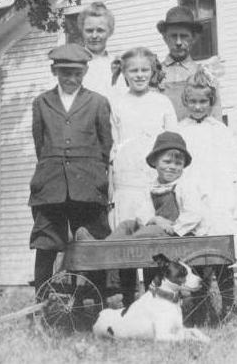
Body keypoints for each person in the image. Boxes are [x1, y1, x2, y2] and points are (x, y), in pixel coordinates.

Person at [77, 131, 210, 307]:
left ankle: (109, 251)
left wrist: (173, 227)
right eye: (167, 161)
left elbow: (194, 213)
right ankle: (101, 248)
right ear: (155, 162)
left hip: (175, 236)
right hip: (155, 231)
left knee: (147, 233)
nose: (172, 167)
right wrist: (154, 218)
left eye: (178, 163)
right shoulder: (152, 186)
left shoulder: (185, 186)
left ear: (184, 165)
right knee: (127, 224)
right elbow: (143, 211)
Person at [28, 44, 113, 297]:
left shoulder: (98, 102)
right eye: (65, 72)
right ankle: (41, 304)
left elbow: (105, 146)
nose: (71, 79)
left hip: (87, 184)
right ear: (54, 71)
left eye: (77, 73)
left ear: (85, 71)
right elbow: (40, 144)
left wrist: (94, 175)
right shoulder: (41, 102)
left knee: (91, 245)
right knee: (46, 243)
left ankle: (92, 304)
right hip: (51, 185)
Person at [109, 47, 177, 229]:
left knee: (155, 237)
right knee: (126, 235)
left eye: (144, 70)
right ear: (124, 73)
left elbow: (173, 147)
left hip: (156, 183)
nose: (139, 75)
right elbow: (113, 147)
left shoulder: (162, 103)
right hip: (126, 183)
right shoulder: (117, 104)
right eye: (133, 70)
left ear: (152, 71)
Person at [177, 67, 237, 236]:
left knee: (217, 228)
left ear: (211, 102)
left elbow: (230, 166)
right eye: (193, 102)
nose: (197, 107)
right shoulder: (179, 130)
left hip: (215, 189)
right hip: (189, 188)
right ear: (186, 101)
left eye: (203, 102)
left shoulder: (220, 130)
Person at [156, 6, 221, 120]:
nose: (178, 42)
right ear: (165, 38)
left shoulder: (204, 74)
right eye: (173, 36)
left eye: (184, 36)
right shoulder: (154, 74)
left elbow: (215, 116)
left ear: (194, 38)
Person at [76, 2, 124, 99]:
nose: (94, 36)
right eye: (89, 30)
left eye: (100, 30)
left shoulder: (119, 64)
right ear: (81, 31)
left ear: (110, 31)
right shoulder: (72, 64)